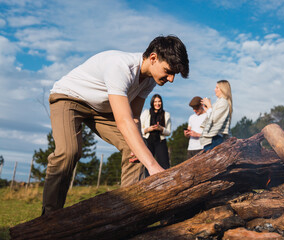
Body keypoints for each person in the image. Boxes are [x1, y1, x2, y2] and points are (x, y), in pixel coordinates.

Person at [42, 35, 189, 215]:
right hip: (68, 98)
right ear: (153, 58)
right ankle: (49, 218)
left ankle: (127, 214)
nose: (171, 79)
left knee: (134, 149)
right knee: (69, 152)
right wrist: (153, 166)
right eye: (168, 71)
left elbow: (134, 116)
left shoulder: (150, 80)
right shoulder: (121, 67)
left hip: (101, 108)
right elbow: (123, 120)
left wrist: (140, 150)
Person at [140, 94, 171, 176]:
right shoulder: (146, 113)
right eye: (155, 101)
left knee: (164, 164)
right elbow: (139, 128)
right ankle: (147, 182)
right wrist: (148, 129)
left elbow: (169, 132)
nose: (157, 103)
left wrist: (161, 129)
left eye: (159, 101)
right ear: (152, 103)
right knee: (147, 164)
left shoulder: (166, 114)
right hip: (148, 141)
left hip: (160, 141)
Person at [200, 80, 232, 151]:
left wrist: (209, 107)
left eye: (217, 88)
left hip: (215, 139)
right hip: (212, 139)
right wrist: (208, 109)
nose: (215, 89)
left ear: (223, 90)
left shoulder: (223, 103)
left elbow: (215, 120)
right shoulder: (218, 102)